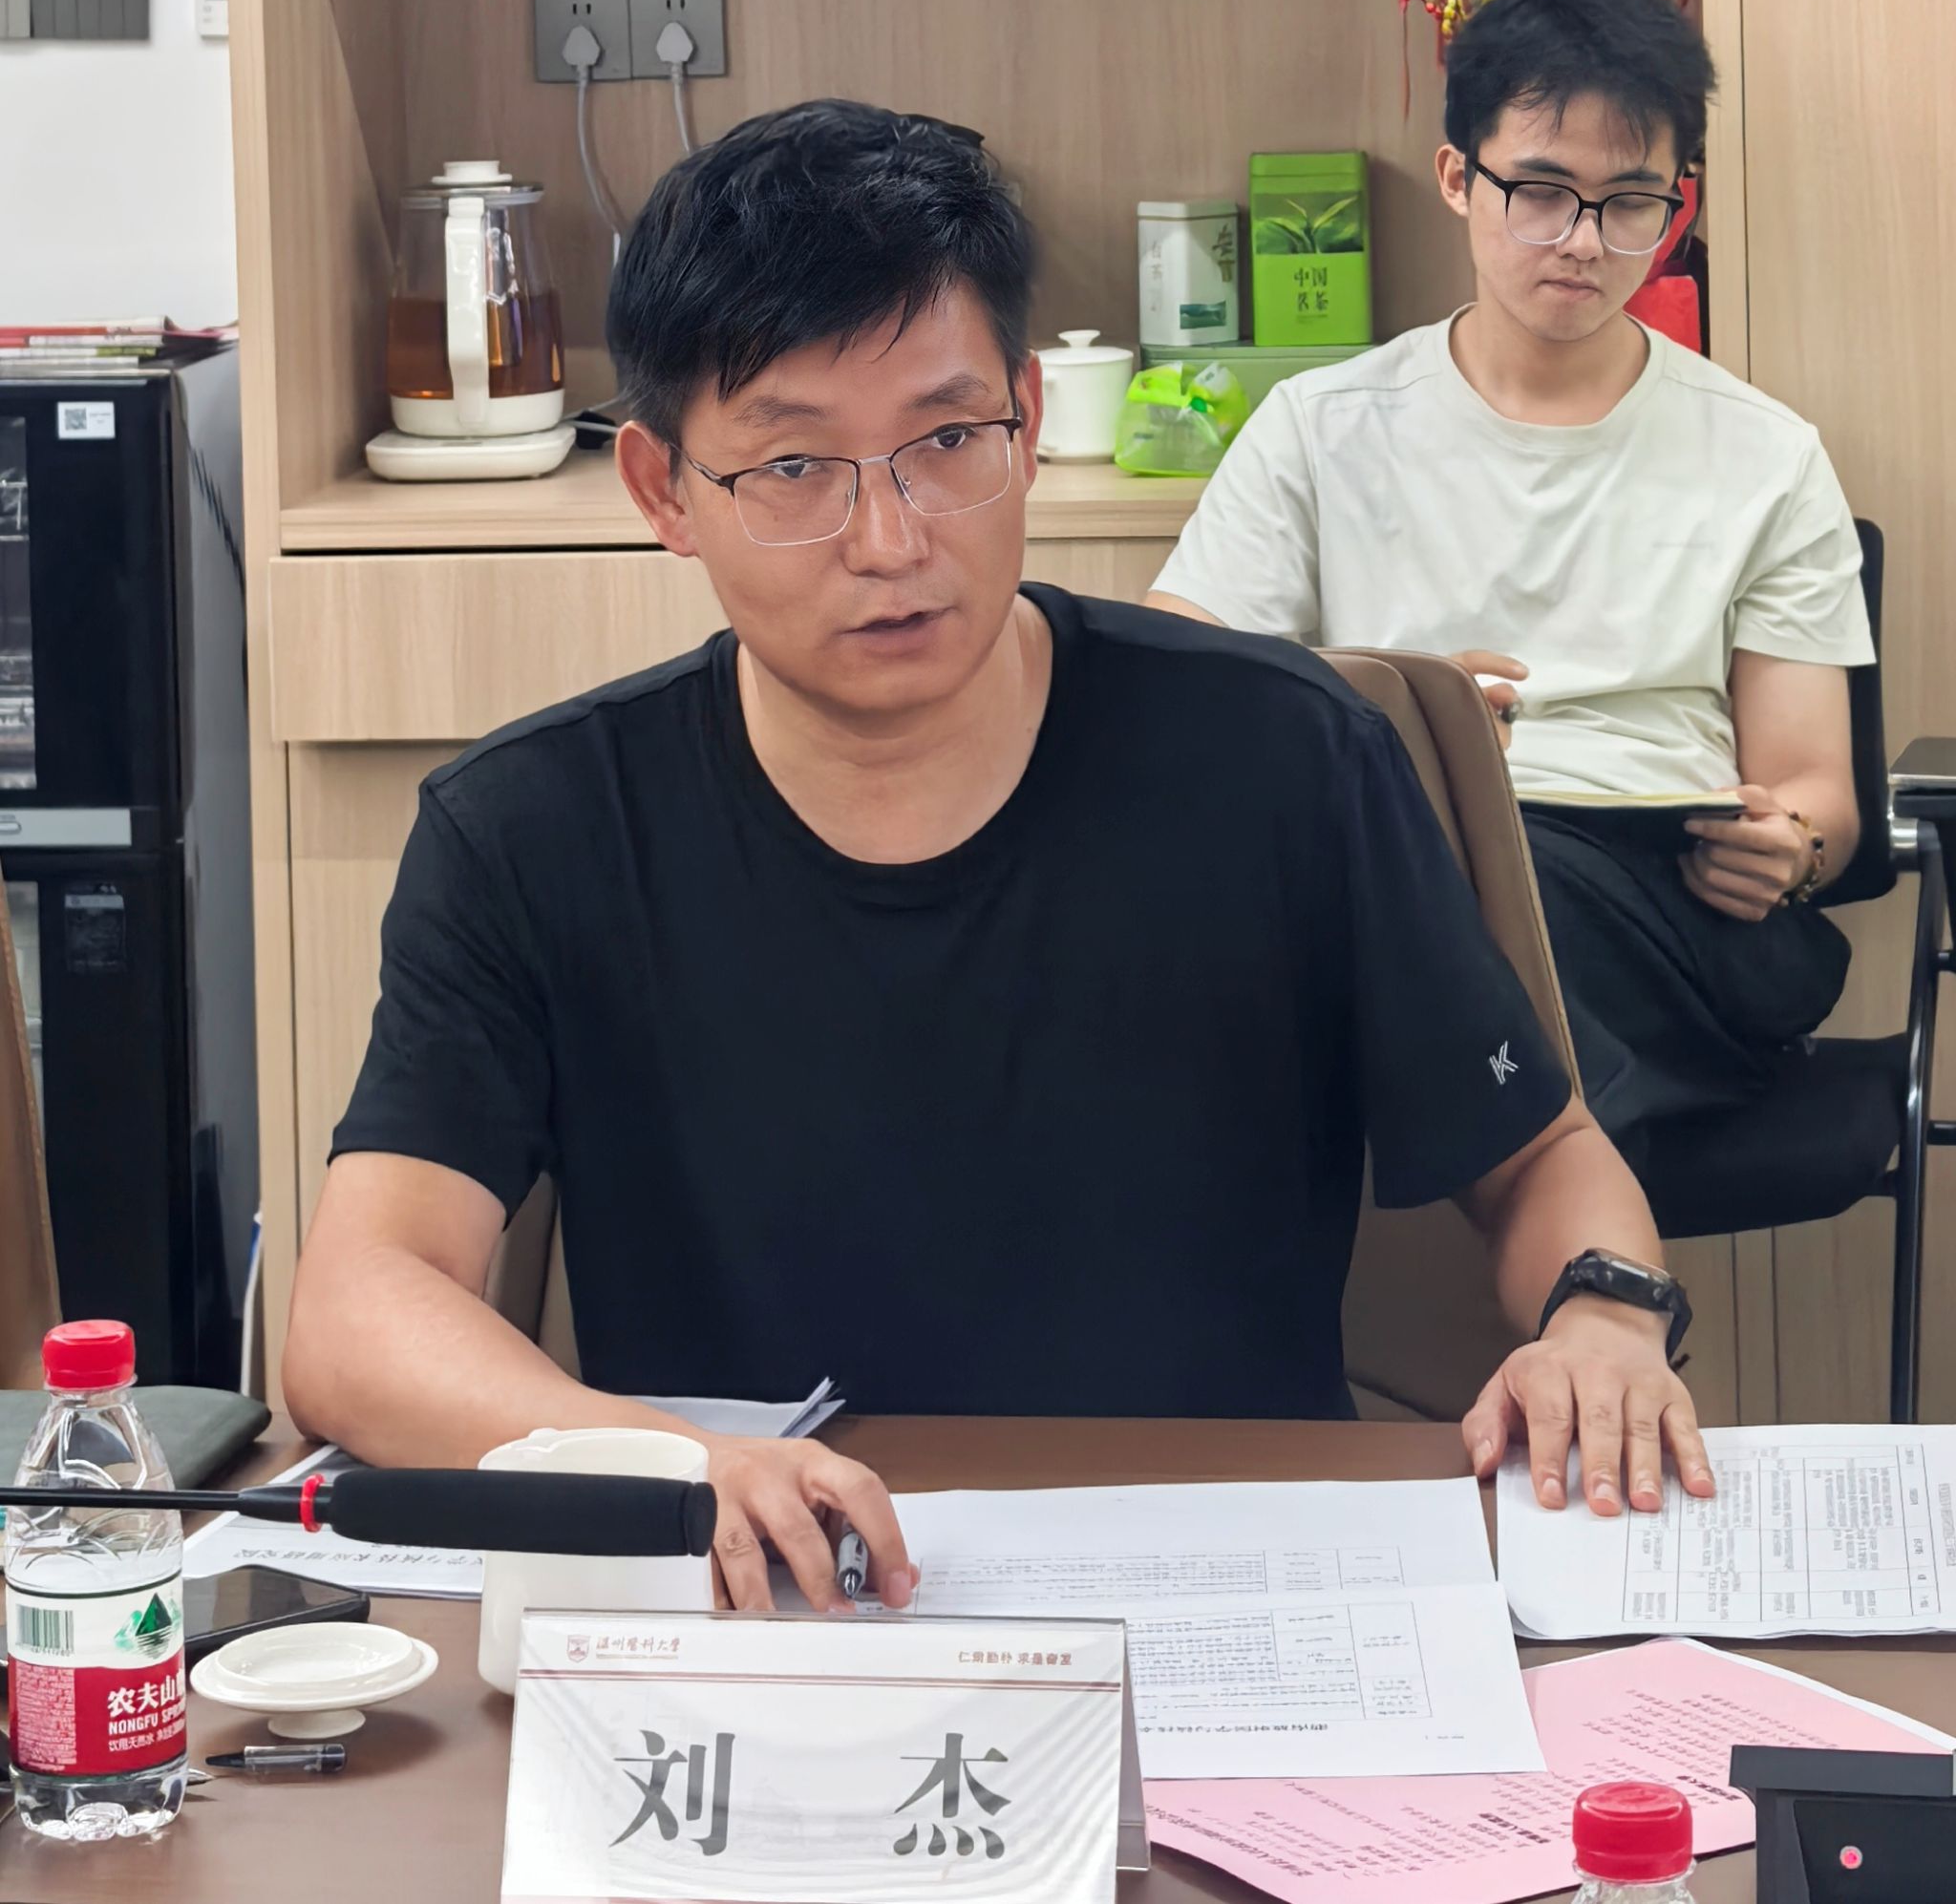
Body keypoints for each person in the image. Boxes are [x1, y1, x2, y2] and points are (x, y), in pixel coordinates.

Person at [285, 96, 1713, 1617]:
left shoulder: (1280, 757)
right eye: (794, 467)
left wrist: (1606, 1320)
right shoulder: (534, 829)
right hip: (776, 1609)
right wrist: (673, 1465)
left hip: (1224, 1595)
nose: (891, 538)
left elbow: (1541, 1154)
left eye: (947, 440)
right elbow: (359, 1307)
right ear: (662, 492)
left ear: (1026, 420)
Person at [1151, 0, 1870, 1174]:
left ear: (1676, 207)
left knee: (1447, 932)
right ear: (1456, 178)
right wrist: (1394, 718)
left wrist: (1787, 844)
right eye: (1539, 193)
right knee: (1424, 883)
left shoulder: (1764, 454)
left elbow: (1816, 794)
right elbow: (1179, 696)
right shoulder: (1321, 427)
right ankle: (1576, 1223)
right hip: (1402, 871)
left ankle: (1473, 1155)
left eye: (1626, 202)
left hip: (1670, 911)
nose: (1581, 242)